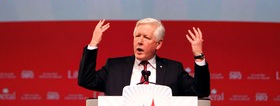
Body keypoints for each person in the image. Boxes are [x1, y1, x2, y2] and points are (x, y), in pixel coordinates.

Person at [78, 18, 210, 97]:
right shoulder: (114, 67)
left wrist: (199, 56)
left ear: (158, 44)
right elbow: (86, 80)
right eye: (137, 36)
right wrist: (93, 44)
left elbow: (201, 91)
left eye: (146, 37)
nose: (139, 41)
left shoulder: (173, 69)